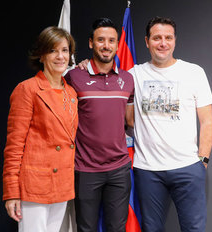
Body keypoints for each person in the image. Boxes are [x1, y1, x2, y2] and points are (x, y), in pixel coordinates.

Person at [129, 17, 212, 232]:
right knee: (151, 229)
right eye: (157, 38)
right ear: (147, 41)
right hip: (148, 170)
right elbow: (127, 118)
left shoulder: (194, 72)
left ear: (175, 41)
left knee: (194, 228)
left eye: (168, 37)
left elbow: (207, 121)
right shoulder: (133, 75)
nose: (163, 43)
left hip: (187, 168)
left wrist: (202, 160)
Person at [2, 26, 78, 232]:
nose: (60, 56)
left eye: (64, 50)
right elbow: (14, 146)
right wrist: (11, 192)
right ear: (42, 55)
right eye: (53, 50)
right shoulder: (27, 89)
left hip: (62, 182)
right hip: (35, 183)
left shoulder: (71, 92)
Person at [65, 18, 134, 232]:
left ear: (116, 44)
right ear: (90, 43)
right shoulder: (73, 77)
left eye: (111, 40)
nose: (106, 45)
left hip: (119, 169)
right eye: (101, 40)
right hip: (85, 169)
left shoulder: (128, 79)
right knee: (86, 228)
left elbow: (129, 120)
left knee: (117, 228)